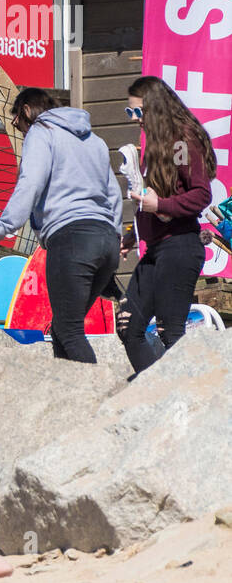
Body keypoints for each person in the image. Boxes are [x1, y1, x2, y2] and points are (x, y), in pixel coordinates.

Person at [0, 87, 122, 364]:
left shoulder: (41, 132)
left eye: (16, 121)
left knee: (68, 330)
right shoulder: (94, 140)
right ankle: (70, 397)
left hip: (71, 239)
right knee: (63, 328)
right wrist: (116, 236)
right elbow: (114, 194)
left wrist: (1, 229)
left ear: (26, 111)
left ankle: (91, 398)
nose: (17, 128)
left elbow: (31, 183)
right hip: (106, 239)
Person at [118, 76, 215, 375]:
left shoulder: (181, 142)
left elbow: (201, 194)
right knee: (128, 325)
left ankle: (185, 402)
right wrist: (132, 235)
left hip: (180, 246)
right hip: (158, 248)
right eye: (129, 112)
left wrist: (160, 205)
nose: (135, 119)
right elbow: (155, 196)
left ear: (155, 109)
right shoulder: (158, 146)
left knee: (171, 333)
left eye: (137, 112)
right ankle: (154, 396)